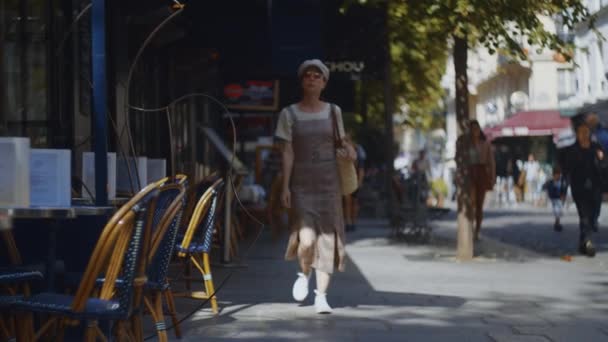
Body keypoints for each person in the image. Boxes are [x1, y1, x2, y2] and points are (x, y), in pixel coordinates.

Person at [275, 59, 356, 314]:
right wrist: (285, 187)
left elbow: (341, 141)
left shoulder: (334, 111)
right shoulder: (289, 113)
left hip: (329, 183)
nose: (312, 79)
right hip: (301, 185)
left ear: (324, 83)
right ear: (302, 82)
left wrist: (348, 150)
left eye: (317, 76)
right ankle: (303, 273)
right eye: (307, 76)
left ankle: (321, 296)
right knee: (307, 241)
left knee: (328, 240)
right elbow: (287, 152)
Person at [561, 123, 604, 257]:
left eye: (586, 132)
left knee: (594, 216)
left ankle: (582, 243)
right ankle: (588, 242)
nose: (584, 135)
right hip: (579, 189)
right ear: (577, 134)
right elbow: (567, 172)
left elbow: (604, 168)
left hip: (596, 187)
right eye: (581, 132)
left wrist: (601, 159)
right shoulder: (572, 150)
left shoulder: (596, 148)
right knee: (584, 216)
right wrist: (564, 189)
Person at [455, 120, 496, 241]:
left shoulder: (485, 143)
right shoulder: (465, 144)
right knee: (471, 202)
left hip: (481, 173)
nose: (474, 132)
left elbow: (491, 161)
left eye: (476, 129)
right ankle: (470, 228)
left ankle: (477, 230)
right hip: (469, 173)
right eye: (472, 129)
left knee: (479, 205)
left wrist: (492, 177)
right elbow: (458, 157)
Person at [585, 112, 608, 231]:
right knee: (596, 197)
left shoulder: (593, 135)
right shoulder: (600, 133)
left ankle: (592, 218)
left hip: (594, 171)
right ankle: (593, 218)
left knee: (594, 196)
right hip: (598, 172)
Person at [344, 135, 366, 232]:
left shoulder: (358, 150)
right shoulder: (343, 150)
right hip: (347, 179)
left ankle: (353, 222)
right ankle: (348, 222)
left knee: (354, 202)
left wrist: (360, 182)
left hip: (355, 179)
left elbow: (361, 169)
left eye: (348, 140)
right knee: (347, 202)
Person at [543, 167, 568, 232]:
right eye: (556, 174)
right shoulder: (551, 181)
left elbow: (564, 189)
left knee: (560, 211)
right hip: (554, 198)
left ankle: (557, 223)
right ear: (553, 174)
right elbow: (544, 187)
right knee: (557, 211)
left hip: (560, 198)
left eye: (559, 174)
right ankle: (557, 223)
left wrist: (564, 196)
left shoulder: (562, 181)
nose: (557, 176)